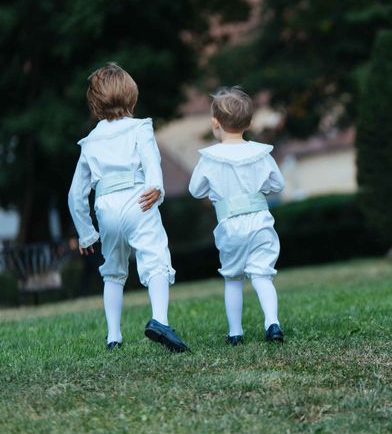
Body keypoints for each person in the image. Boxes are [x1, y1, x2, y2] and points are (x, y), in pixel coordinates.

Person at [68, 62, 189, 352]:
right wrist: (155, 190)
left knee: (113, 270)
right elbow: (151, 162)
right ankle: (159, 320)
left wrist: (86, 234)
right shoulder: (140, 127)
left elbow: (75, 194)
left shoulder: (90, 141)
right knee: (155, 258)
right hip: (138, 199)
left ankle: (113, 337)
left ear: (94, 104)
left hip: (106, 207)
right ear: (131, 97)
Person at [189, 87, 285, 346]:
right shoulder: (260, 153)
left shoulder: (210, 158)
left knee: (233, 278)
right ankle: (272, 322)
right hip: (260, 221)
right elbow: (278, 184)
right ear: (250, 123)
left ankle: (235, 333)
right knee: (262, 275)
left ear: (215, 123)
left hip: (230, 225)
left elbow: (195, 189)